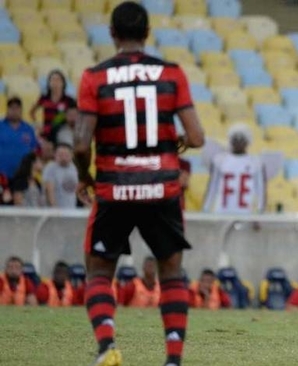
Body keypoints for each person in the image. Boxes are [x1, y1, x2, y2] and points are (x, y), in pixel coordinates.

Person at [73, 2, 204, 366]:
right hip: (161, 187)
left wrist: (85, 178)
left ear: (112, 34)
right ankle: (173, 359)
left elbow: (81, 144)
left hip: (114, 186)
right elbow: (196, 136)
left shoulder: (94, 77)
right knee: (171, 273)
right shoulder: (171, 74)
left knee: (99, 271)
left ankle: (107, 347)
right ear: (147, 34)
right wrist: (170, 145)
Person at [202, 123, 266, 214]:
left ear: (248, 141)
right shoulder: (219, 160)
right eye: (235, 138)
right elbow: (212, 187)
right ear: (230, 140)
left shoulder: (256, 162)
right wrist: (205, 209)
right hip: (222, 210)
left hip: (245, 212)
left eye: (242, 138)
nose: (238, 141)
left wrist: (260, 213)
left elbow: (260, 191)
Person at [29, 69, 77, 144]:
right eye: (53, 80)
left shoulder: (69, 100)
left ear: (63, 83)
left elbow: (74, 117)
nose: (55, 83)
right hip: (46, 132)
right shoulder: (44, 98)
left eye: (58, 80)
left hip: (62, 131)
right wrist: (37, 124)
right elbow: (32, 112)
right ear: (49, 83)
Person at [0, 97, 39, 180]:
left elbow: (34, 150)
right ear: (7, 110)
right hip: (2, 176)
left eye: (17, 108)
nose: (14, 111)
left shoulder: (28, 129)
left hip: (23, 176)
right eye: (12, 108)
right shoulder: (1, 126)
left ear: (21, 110)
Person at [42, 143, 78, 208]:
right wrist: (55, 209)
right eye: (60, 155)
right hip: (56, 211)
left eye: (66, 155)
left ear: (72, 155)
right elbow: (49, 191)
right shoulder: (51, 167)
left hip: (71, 209)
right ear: (55, 155)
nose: (63, 158)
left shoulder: (73, 168)